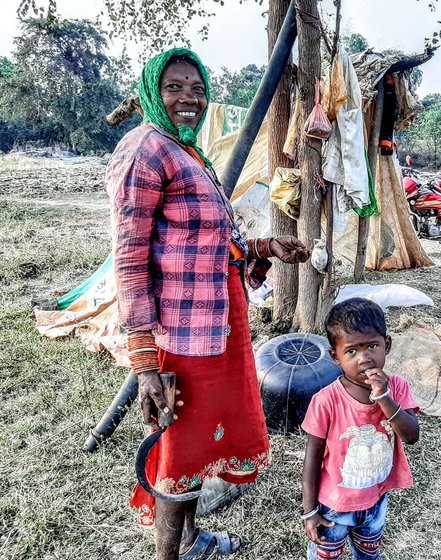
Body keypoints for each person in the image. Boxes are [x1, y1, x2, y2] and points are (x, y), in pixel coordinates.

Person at [106, 47, 309, 560]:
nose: (188, 98)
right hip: (180, 334)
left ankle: (193, 541)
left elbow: (206, 240)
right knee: (181, 446)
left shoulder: (186, 150)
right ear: (154, 91)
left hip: (217, 321)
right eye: (174, 87)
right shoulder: (144, 151)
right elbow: (130, 264)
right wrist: (146, 364)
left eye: (197, 89)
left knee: (200, 445)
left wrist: (263, 248)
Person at [301, 298, 420, 560]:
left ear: (386, 345)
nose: (364, 358)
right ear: (336, 357)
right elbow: (312, 457)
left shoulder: (397, 388)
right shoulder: (326, 400)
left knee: (369, 554)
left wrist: (385, 398)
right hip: (333, 507)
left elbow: (412, 436)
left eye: (372, 346)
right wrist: (310, 511)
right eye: (352, 351)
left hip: (377, 501)